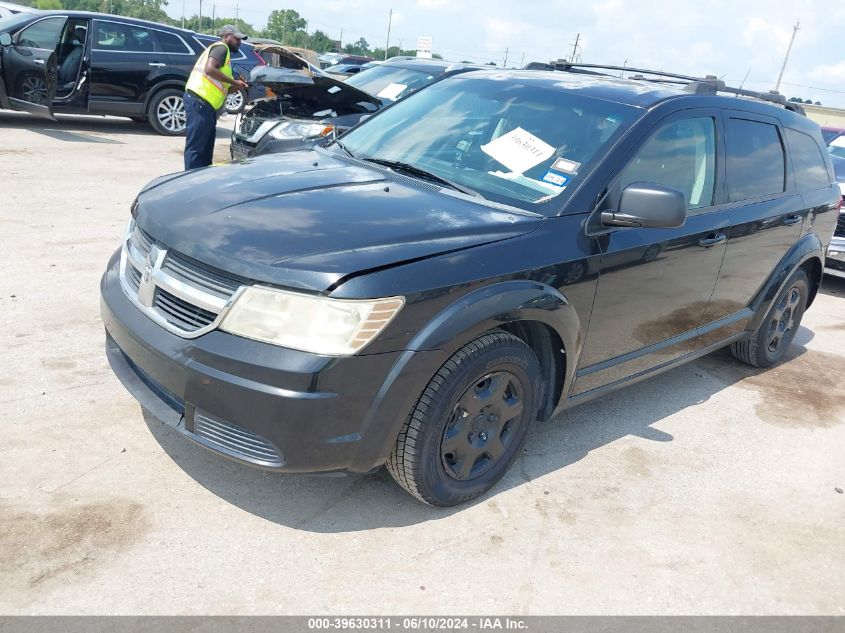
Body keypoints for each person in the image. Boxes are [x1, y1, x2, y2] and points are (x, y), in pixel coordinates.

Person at [183, 25, 249, 170]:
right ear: (226, 37)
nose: (239, 42)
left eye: (241, 39)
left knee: (205, 150)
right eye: (236, 38)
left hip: (206, 106)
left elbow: (224, 87)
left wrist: (238, 85)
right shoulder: (221, 48)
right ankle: (190, 182)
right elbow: (209, 69)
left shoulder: (225, 58)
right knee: (196, 148)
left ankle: (202, 180)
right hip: (199, 101)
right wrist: (234, 81)